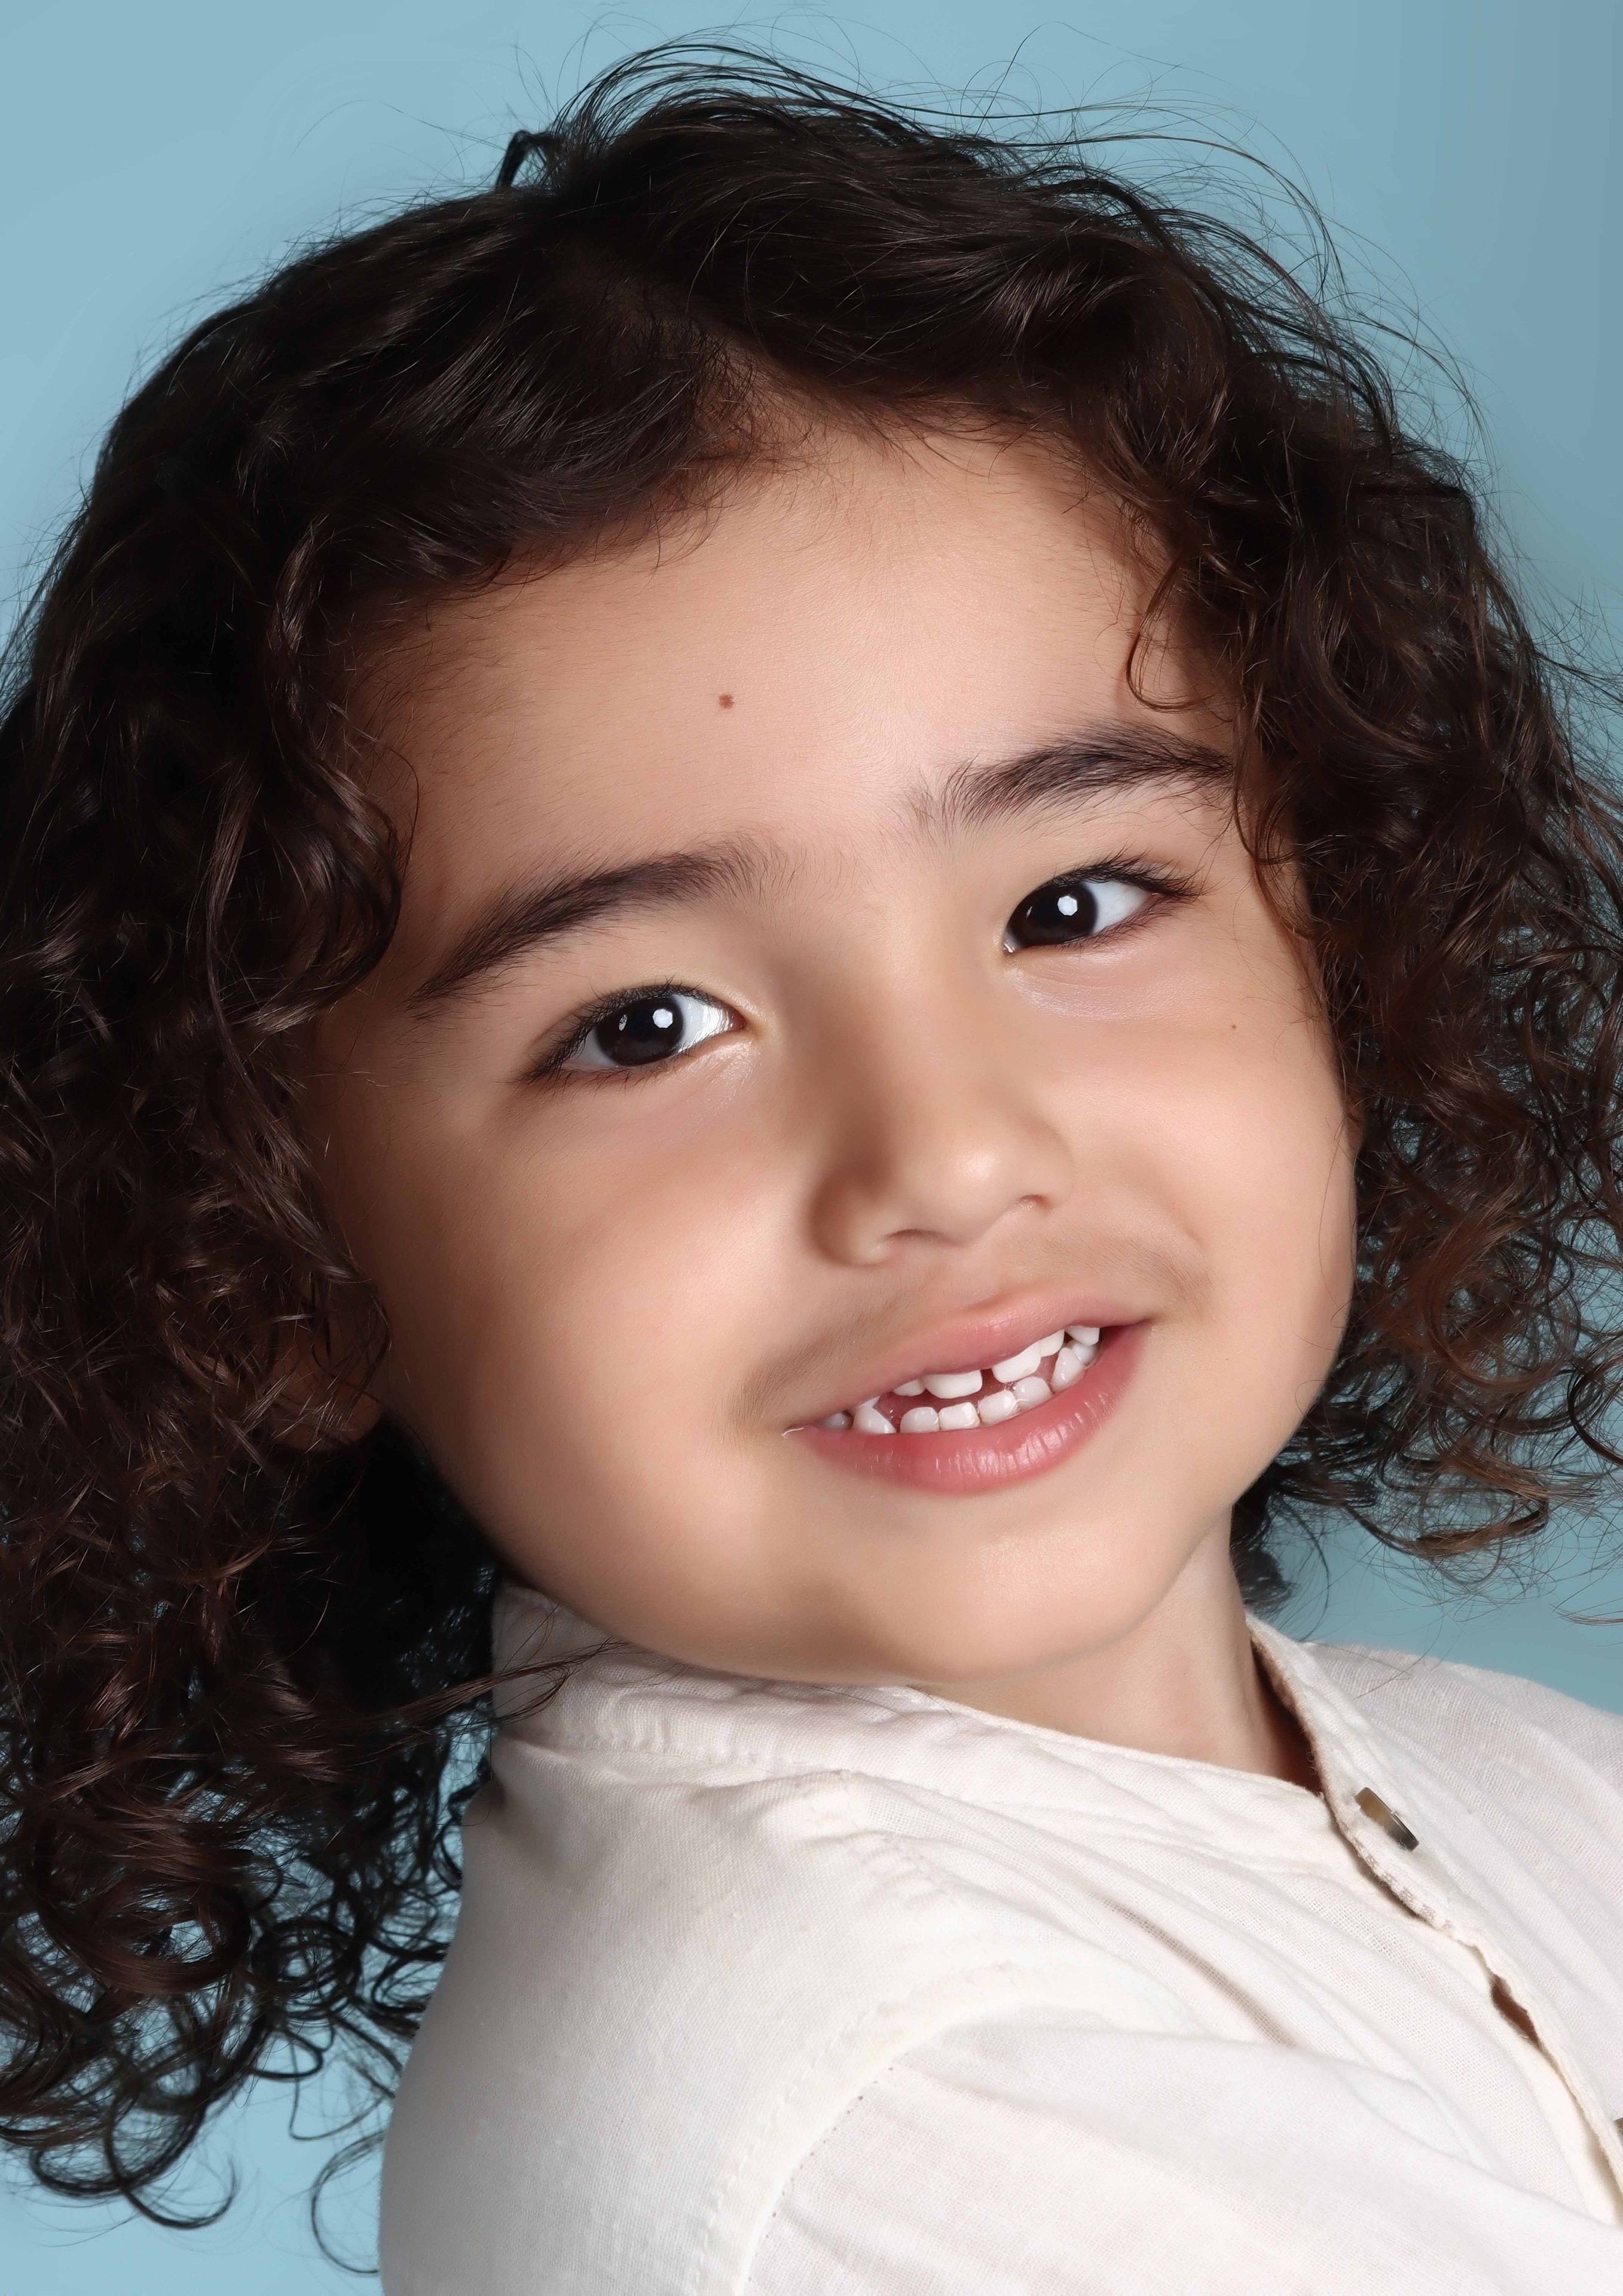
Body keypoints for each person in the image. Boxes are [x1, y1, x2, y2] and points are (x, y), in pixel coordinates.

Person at [2, 46, 1621, 2294]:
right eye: (644, 1027)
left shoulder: (1518, 1791)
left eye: (1070, 907)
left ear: (1336, 936)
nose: (943, 1151)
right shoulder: (902, 2123)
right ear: (268, 1264)